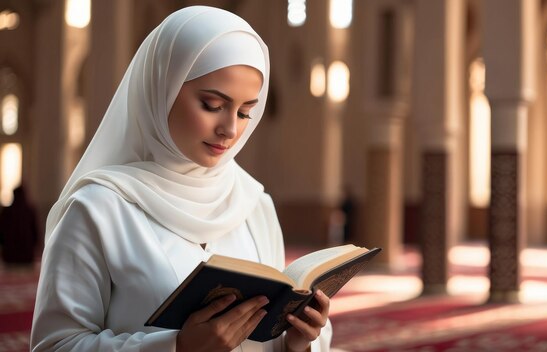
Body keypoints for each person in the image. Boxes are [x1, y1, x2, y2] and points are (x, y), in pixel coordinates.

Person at [30, 6, 332, 352]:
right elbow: (55, 345)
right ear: (164, 88)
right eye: (212, 104)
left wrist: (298, 340)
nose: (231, 129)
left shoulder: (253, 204)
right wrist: (178, 347)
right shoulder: (98, 208)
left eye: (245, 111)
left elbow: (266, 339)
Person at [0, 185, 39, 265]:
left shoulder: (7, 211)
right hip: (26, 257)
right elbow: (35, 234)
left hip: (10, 256)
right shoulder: (29, 211)